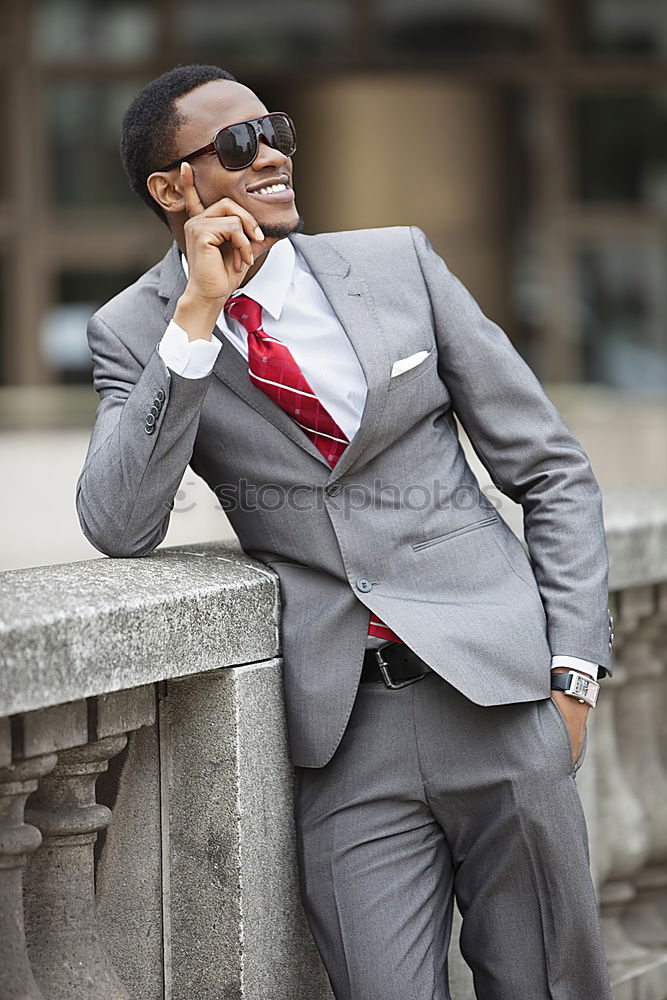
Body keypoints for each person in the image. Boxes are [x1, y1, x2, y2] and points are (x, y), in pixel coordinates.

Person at [76, 64, 615, 999]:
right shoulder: (135, 332)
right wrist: (197, 316)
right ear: (171, 188)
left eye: (275, 128)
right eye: (237, 144)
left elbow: (548, 468)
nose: (273, 153)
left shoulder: (397, 263)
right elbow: (119, 524)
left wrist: (569, 675)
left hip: (500, 695)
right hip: (344, 730)